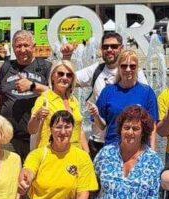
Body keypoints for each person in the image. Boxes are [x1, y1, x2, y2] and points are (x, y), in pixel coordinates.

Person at [62, 31, 148, 159]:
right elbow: (65, 80)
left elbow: (146, 106)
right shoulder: (96, 69)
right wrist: (67, 57)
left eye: (114, 46)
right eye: (105, 47)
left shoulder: (135, 72)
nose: (109, 50)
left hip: (130, 142)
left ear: (121, 48)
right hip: (99, 141)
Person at [0, 29, 51, 160]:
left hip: (38, 136)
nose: (22, 50)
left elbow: (58, 94)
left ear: (33, 46)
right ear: (13, 48)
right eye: (18, 46)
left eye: (26, 45)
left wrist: (32, 86)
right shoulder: (6, 68)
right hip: (10, 136)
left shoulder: (46, 67)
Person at [90, 48, 158, 148]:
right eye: (124, 66)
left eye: (132, 66)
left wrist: (152, 150)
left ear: (137, 68)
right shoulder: (108, 91)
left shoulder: (147, 92)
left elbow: (152, 126)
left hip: (139, 150)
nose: (128, 69)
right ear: (118, 67)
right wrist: (96, 115)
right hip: (113, 148)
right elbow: (102, 126)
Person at [28, 59, 87, 152]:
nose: (64, 77)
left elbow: (80, 130)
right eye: (60, 73)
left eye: (69, 75)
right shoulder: (44, 99)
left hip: (74, 154)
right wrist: (37, 116)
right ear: (52, 77)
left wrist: (87, 153)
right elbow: (31, 130)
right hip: (51, 154)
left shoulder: (74, 100)